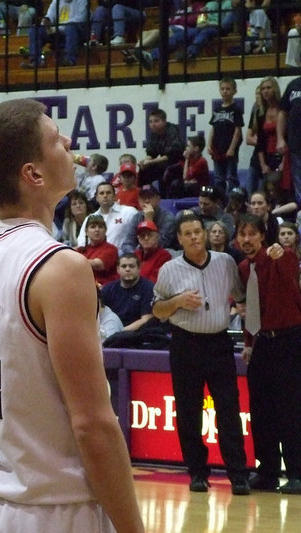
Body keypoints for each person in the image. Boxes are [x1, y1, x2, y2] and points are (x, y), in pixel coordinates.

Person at [0, 98, 142, 532]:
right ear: (34, 174)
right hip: (44, 510)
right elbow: (93, 427)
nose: (67, 141)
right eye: (54, 139)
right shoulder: (60, 267)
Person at [152, 212, 250, 494]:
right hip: (185, 344)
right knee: (188, 412)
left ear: (205, 234)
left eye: (198, 231)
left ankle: (239, 475)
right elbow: (157, 311)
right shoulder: (169, 269)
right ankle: (197, 472)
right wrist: (178, 301)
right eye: (188, 233)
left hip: (219, 344)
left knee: (229, 410)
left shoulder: (225, 262)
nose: (195, 236)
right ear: (180, 240)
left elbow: (241, 297)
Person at [236, 214, 301, 493]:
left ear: (263, 236)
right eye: (242, 234)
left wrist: (282, 253)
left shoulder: (280, 257)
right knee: (261, 410)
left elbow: (290, 269)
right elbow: (252, 308)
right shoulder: (242, 268)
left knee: (291, 410)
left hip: (289, 341)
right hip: (261, 343)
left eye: (252, 234)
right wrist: (249, 343)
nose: (247, 239)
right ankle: (268, 471)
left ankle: (297, 472)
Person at [22, 0, 89, 67]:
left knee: (71, 27)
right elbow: (50, 15)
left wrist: (57, 29)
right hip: (57, 33)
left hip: (75, 34)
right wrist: (47, 22)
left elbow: (81, 19)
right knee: (34, 30)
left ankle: (69, 60)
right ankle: (37, 61)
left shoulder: (82, 1)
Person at [101, 253, 156, 331]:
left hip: (137, 335)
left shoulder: (149, 288)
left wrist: (119, 331)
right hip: (110, 331)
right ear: (118, 269)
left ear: (139, 269)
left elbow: (146, 320)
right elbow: (99, 314)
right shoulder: (108, 289)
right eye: (124, 266)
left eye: (131, 266)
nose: (127, 269)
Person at [77, 181, 138, 253]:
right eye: (101, 193)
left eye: (108, 193)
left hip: (122, 257)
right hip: (96, 256)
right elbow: (82, 242)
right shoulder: (90, 218)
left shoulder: (129, 212)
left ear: (115, 196)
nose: (105, 196)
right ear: (96, 198)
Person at [207, 77, 244, 193]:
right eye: (222, 89)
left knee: (231, 177)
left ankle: (233, 200)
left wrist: (232, 148)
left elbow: (238, 130)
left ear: (234, 91)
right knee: (218, 178)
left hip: (229, 149)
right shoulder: (217, 109)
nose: (225, 91)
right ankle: (219, 201)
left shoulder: (236, 109)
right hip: (217, 148)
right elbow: (213, 128)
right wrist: (209, 144)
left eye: (228, 89)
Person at [138, 108, 185, 195]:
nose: (153, 124)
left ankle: (164, 198)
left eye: (156, 121)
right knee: (143, 170)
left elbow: (171, 155)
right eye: (150, 122)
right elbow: (151, 152)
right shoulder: (154, 134)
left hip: (178, 164)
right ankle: (144, 195)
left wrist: (151, 162)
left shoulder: (172, 131)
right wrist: (145, 161)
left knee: (165, 171)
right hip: (164, 162)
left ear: (164, 122)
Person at [277, 70, 301, 207]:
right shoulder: (293, 85)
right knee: (299, 182)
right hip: (296, 144)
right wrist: (280, 138)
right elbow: (282, 113)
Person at [77, 213, 119, 285]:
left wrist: (74, 261)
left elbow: (97, 265)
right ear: (86, 232)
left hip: (104, 289)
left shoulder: (111, 249)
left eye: (100, 227)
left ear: (105, 231)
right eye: (93, 227)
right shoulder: (81, 250)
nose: (97, 230)